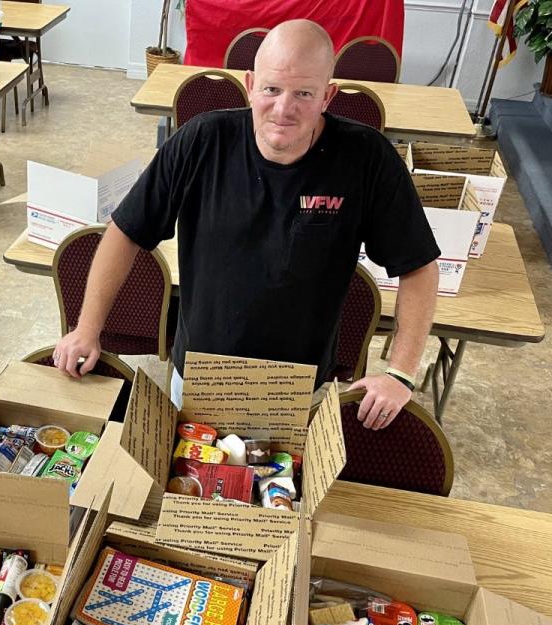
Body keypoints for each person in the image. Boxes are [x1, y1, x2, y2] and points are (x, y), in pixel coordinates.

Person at [52, 20, 440, 430]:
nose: (283, 108)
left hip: (297, 385)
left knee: (277, 490)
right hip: (201, 373)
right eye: (272, 89)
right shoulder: (201, 140)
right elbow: (127, 231)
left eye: (303, 93)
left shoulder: (367, 159)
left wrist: (400, 371)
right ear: (251, 83)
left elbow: (418, 265)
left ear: (327, 96)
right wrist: (87, 328)